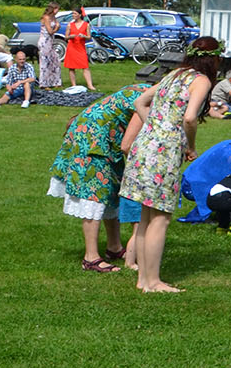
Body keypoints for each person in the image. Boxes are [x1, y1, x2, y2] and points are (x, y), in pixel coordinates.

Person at [117, 35, 221, 293]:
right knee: (160, 218)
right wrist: (191, 145)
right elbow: (189, 118)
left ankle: (143, 279)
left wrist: (154, 125)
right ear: (214, 59)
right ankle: (153, 282)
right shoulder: (201, 81)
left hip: (143, 147)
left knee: (145, 217)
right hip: (163, 153)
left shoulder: (174, 74)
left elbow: (139, 102)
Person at [46, 82, 153, 272]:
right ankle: (91, 258)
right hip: (93, 139)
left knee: (111, 191)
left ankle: (114, 247)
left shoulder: (146, 88)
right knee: (94, 194)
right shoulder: (149, 100)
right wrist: (139, 172)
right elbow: (128, 144)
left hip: (106, 138)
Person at [63, 6, 95, 92]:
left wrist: (84, 36)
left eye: (75, 13)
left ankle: (90, 85)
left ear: (80, 15)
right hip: (72, 47)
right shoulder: (70, 25)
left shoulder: (86, 25)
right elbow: (66, 37)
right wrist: (70, 36)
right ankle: (74, 85)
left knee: (85, 66)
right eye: (72, 13)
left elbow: (89, 37)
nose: (73, 15)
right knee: (71, 67)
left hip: (81, 48)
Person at [37, 3, 61, 89]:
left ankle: (55, 81)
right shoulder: (46, 17)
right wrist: (56, 29)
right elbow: (50, 31)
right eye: (57, 9)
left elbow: (56, 25)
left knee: (55, 60)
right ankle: (44, 83)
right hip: (45, 41)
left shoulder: (53, 18)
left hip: (51, 41)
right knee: (45, 62)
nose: (58, 11)